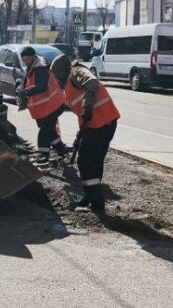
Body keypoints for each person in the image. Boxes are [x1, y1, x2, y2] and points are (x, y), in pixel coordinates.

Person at [51, 55, 121, 213]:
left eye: (57, 77)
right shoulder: (70, 82)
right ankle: (91, 197)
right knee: (92, 162)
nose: (57, 80)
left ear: (62, 72)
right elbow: (75, 108)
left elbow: (92, 84)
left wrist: (87, 109)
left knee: (85, 162)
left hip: (102, 123)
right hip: (98, 124)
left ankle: (96, 202)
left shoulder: (76, 72)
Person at [15, 46, 70, 168]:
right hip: (45, 108)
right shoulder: (32, 67)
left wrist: (27, 92)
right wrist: (20, 88)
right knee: (49, 130)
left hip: (53, 106)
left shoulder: (40, 68)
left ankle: (43, 157)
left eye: (28, 59)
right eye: (24, 60)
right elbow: (25, 82)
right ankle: (62, 151)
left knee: (44, 132)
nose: (26, 62)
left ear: (34, 57)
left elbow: (42, 86)